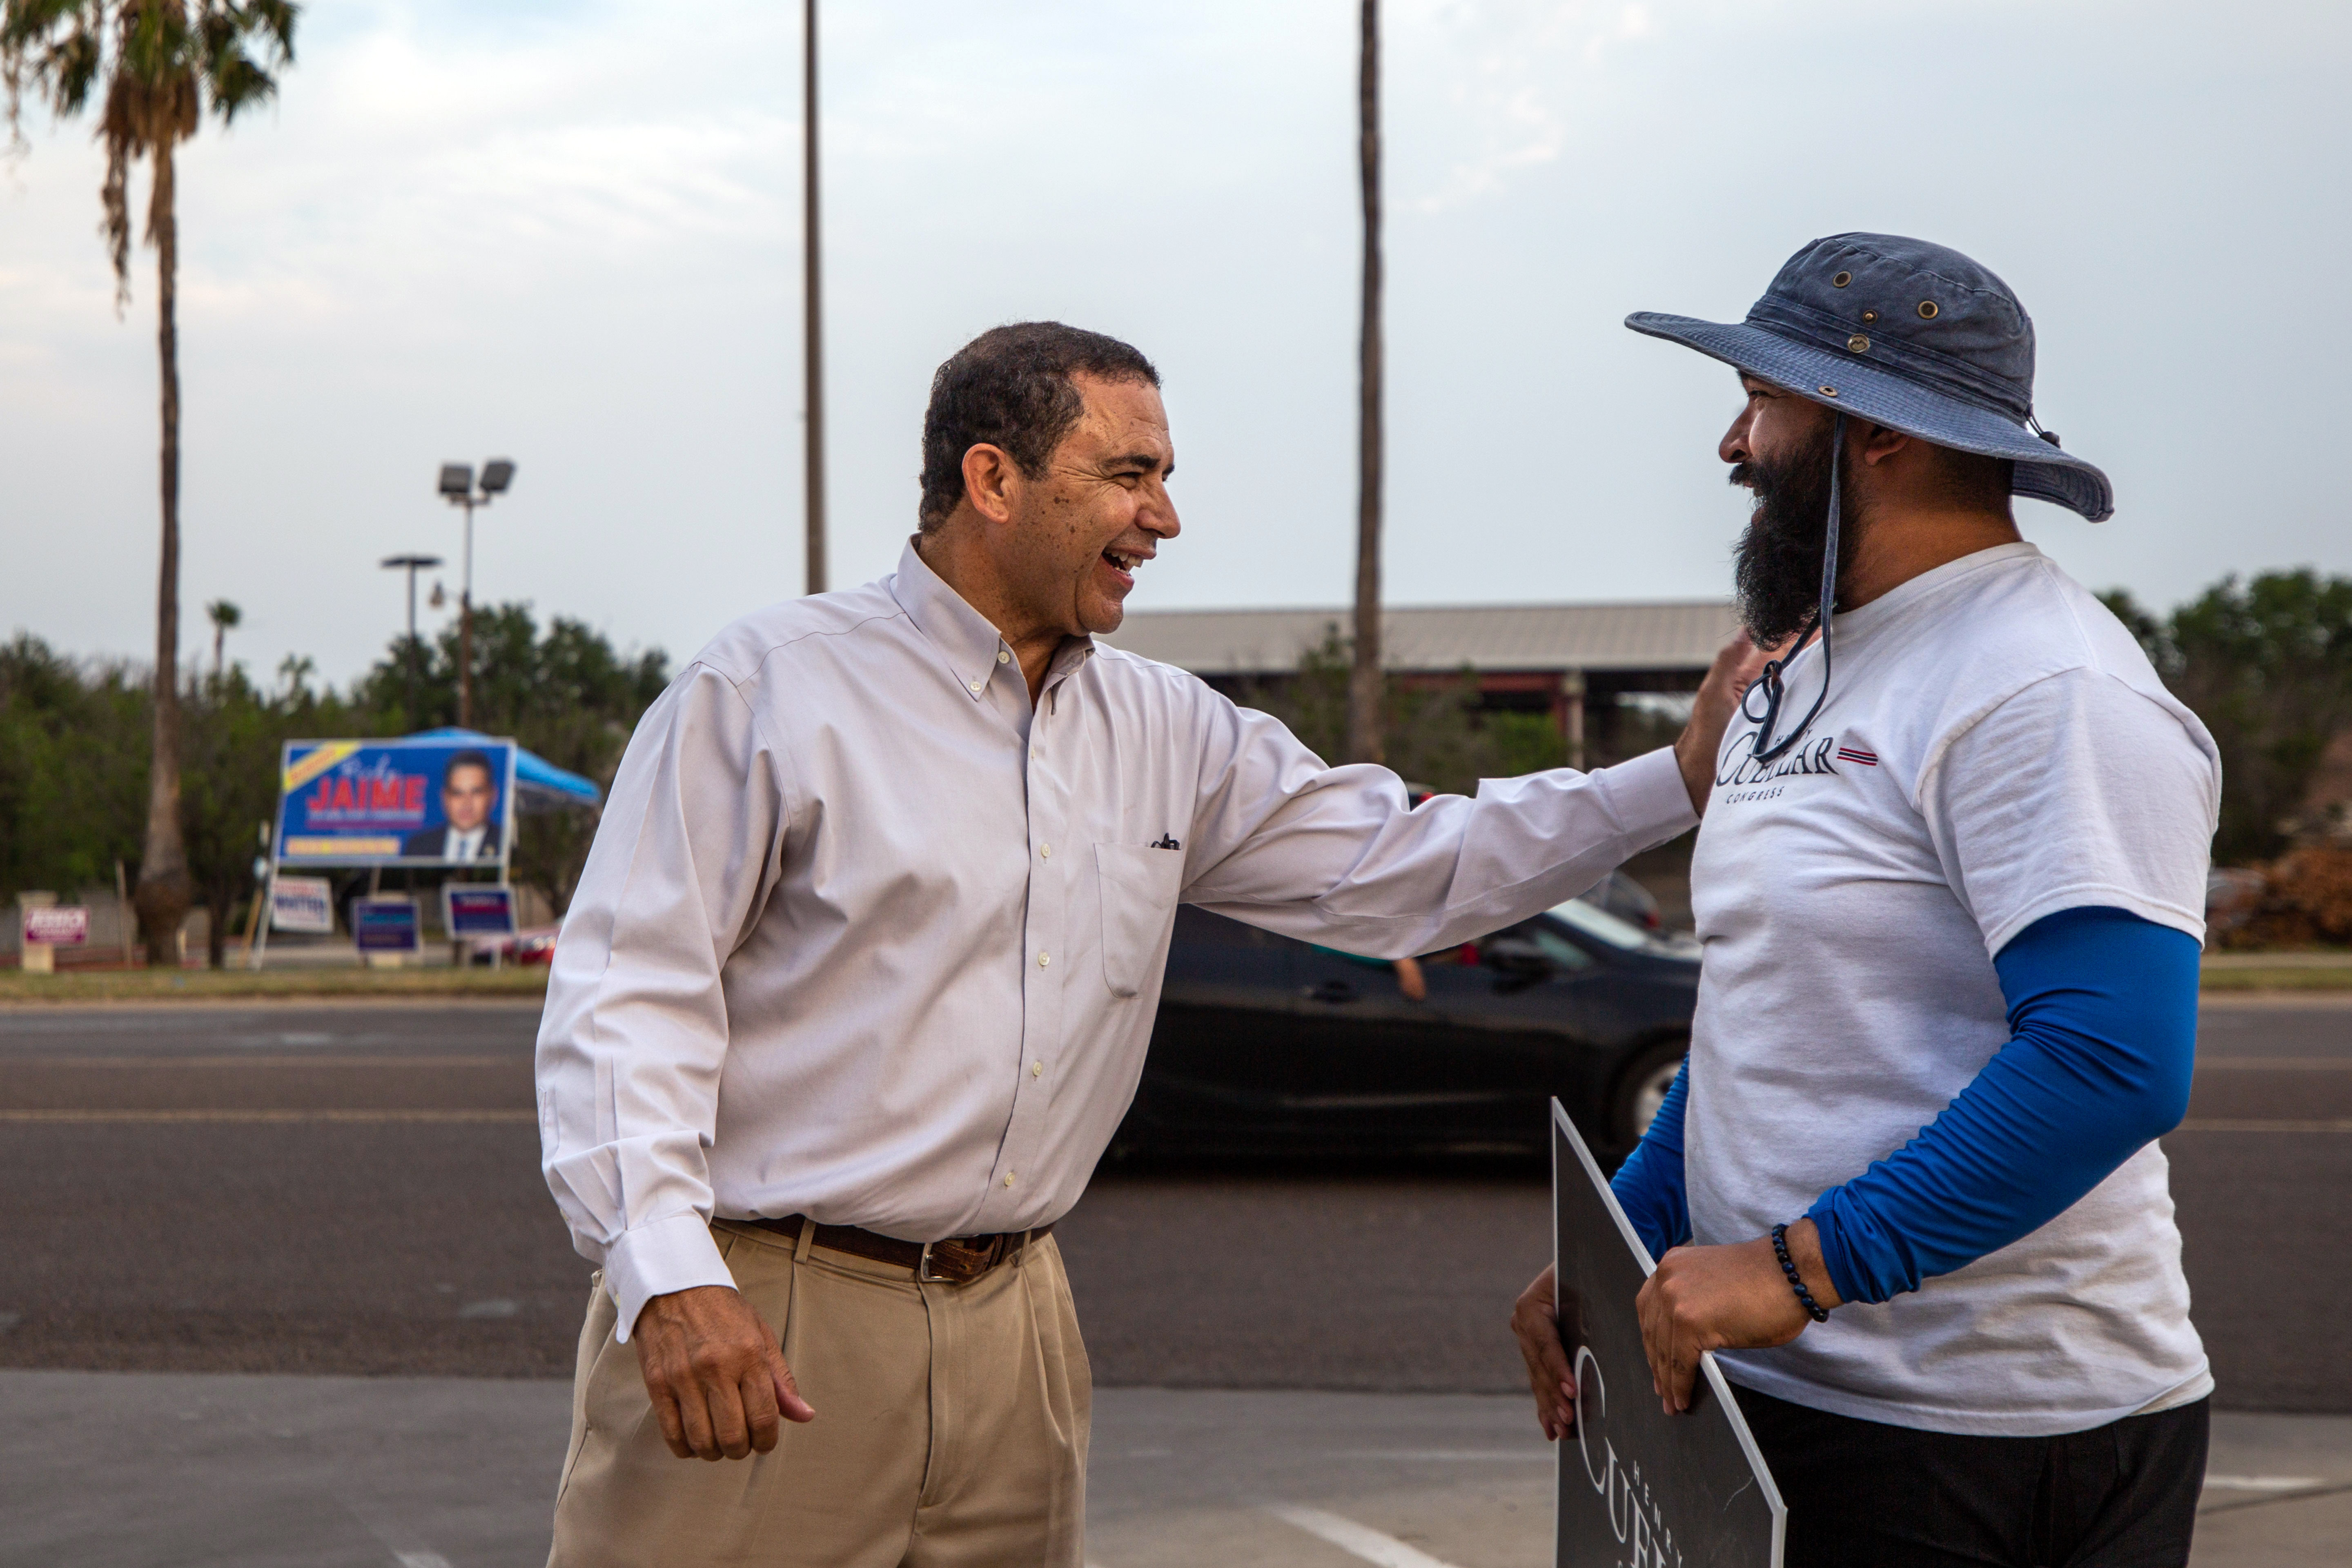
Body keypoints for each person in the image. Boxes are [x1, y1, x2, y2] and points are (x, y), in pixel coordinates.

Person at [535, 321, 1766, 1567]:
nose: (1163, 517)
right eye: (1130, 474)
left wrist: (1678, 773)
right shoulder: (767, 690)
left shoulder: (1167, 728)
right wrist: (670, 1274)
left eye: (1162, 477)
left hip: (1017, 1331)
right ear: (994, 480)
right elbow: (631, 991)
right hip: (768, 1313)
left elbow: (1404, 866)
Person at [1510, 234, 2218, 1567]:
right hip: (1777, 1396)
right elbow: (1762, 1026)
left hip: (1986, 1433)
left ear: (1874, 431)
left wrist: (1795, 1270)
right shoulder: (1800, 675)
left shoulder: (2045, 687)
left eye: (1764, 402)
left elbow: (2111, 1060)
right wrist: (1621, 1242)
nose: (1733, 442)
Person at [403, 749, 501, 860]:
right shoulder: (419, 847)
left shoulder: (505, 844)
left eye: (476, 792)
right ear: (445, 797)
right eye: (457, 793)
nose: (466, 804)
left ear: (493, 795)